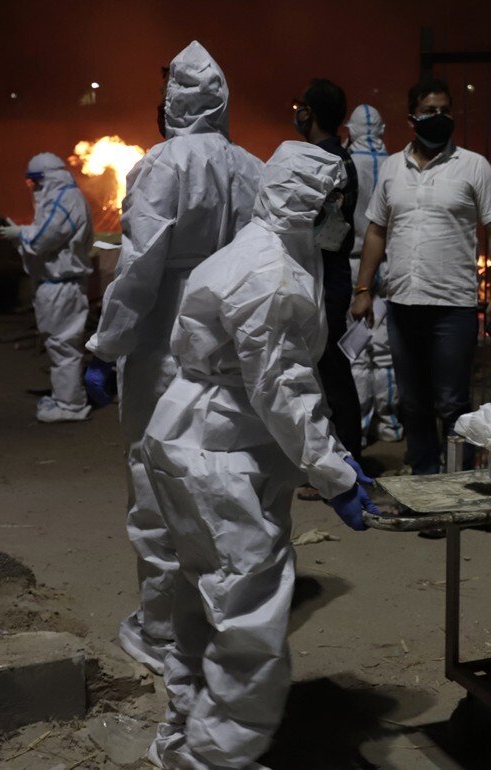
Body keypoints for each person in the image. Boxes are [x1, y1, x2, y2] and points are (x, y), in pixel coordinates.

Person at [142, 141, 376, 769]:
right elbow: (282, 387)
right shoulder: (270, 276)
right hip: (223, 454)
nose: (343, 217)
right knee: (249, 619)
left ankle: (184, 737)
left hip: (196, 439)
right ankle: (216, 759)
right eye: (337, 204)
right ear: (308, 204)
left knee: (200, 601)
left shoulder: (254, 253)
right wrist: (334, 472)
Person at [84, 41, 263, 674]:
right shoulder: (253, 167)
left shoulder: (161, 165)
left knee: (155, 481)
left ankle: (163, 631)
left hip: (166, 340)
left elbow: (139, 267)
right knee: (220, 481)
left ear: (169, 104)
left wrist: (107, 345)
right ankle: (216, 618)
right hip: (230, 341)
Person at [351, 77, 491, 477]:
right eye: (430, 111)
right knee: (413, 403)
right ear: (412, 118)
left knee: (451, 402)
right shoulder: (392, 168)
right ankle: (424, 481)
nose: (438, 118)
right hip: (403, 304)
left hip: (453, 306)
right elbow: (376, 230)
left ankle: (460, 482)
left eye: (445, 111)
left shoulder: (473, 166)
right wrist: (363, 290)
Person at [293, 79, 361, 498]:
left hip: (325, 278)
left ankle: (344, 465)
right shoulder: (334, 157)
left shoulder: (326, 161)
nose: (297, 113)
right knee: (323, 374)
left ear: (310, 113)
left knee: (331, 375)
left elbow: (319, 227)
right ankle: (328, 461)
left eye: (301, 107)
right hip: (324, 276)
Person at [0, 153, 92, 423]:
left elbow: (42, 240)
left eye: (35, 182)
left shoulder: (65, 200)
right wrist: (22, 234)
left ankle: (71, 405)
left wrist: (20, 234)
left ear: (48, 178)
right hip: (57, 284)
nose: (34, 189)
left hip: (62, 286)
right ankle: (64, 396)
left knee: (63, 346)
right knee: (59, 344)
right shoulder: (62, 199)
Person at [345, 103, 402, 448]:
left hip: (354, 266)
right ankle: (391, 426)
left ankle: (360, 427)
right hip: (390, 265)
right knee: (385, 352)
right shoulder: (396, 165)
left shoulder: (345, 164)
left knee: (356, 351)